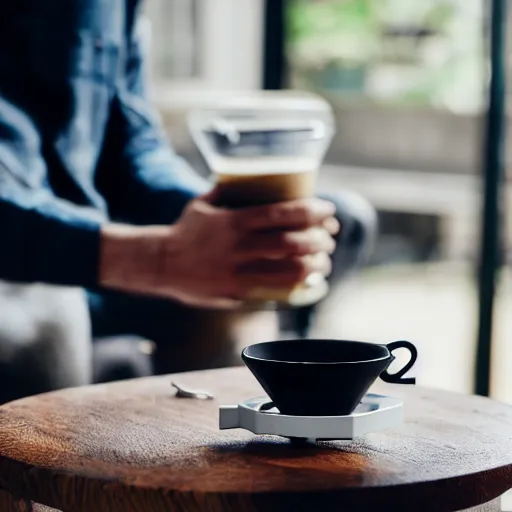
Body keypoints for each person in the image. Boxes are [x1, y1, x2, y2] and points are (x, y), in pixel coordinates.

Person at [0, 1, 377, 403]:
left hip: (93, 270)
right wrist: (158, 259)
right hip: (25, 272)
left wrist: (234, 220)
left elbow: (133, 149)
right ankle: (45, 463)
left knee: (343, 224)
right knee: (55, 311)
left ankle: (214, 456)